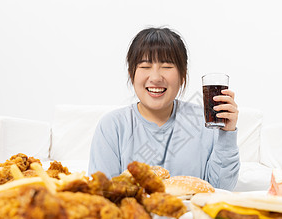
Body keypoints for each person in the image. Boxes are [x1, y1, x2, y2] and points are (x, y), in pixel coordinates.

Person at [88, 27, 240, 190]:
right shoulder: (112, 126)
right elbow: (102, 195)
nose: (155, 78)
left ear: (183, 76)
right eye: (145, 66)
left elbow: (221, 190)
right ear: (132, 74)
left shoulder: (204, 121)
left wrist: (227, 134)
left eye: (167, 67)